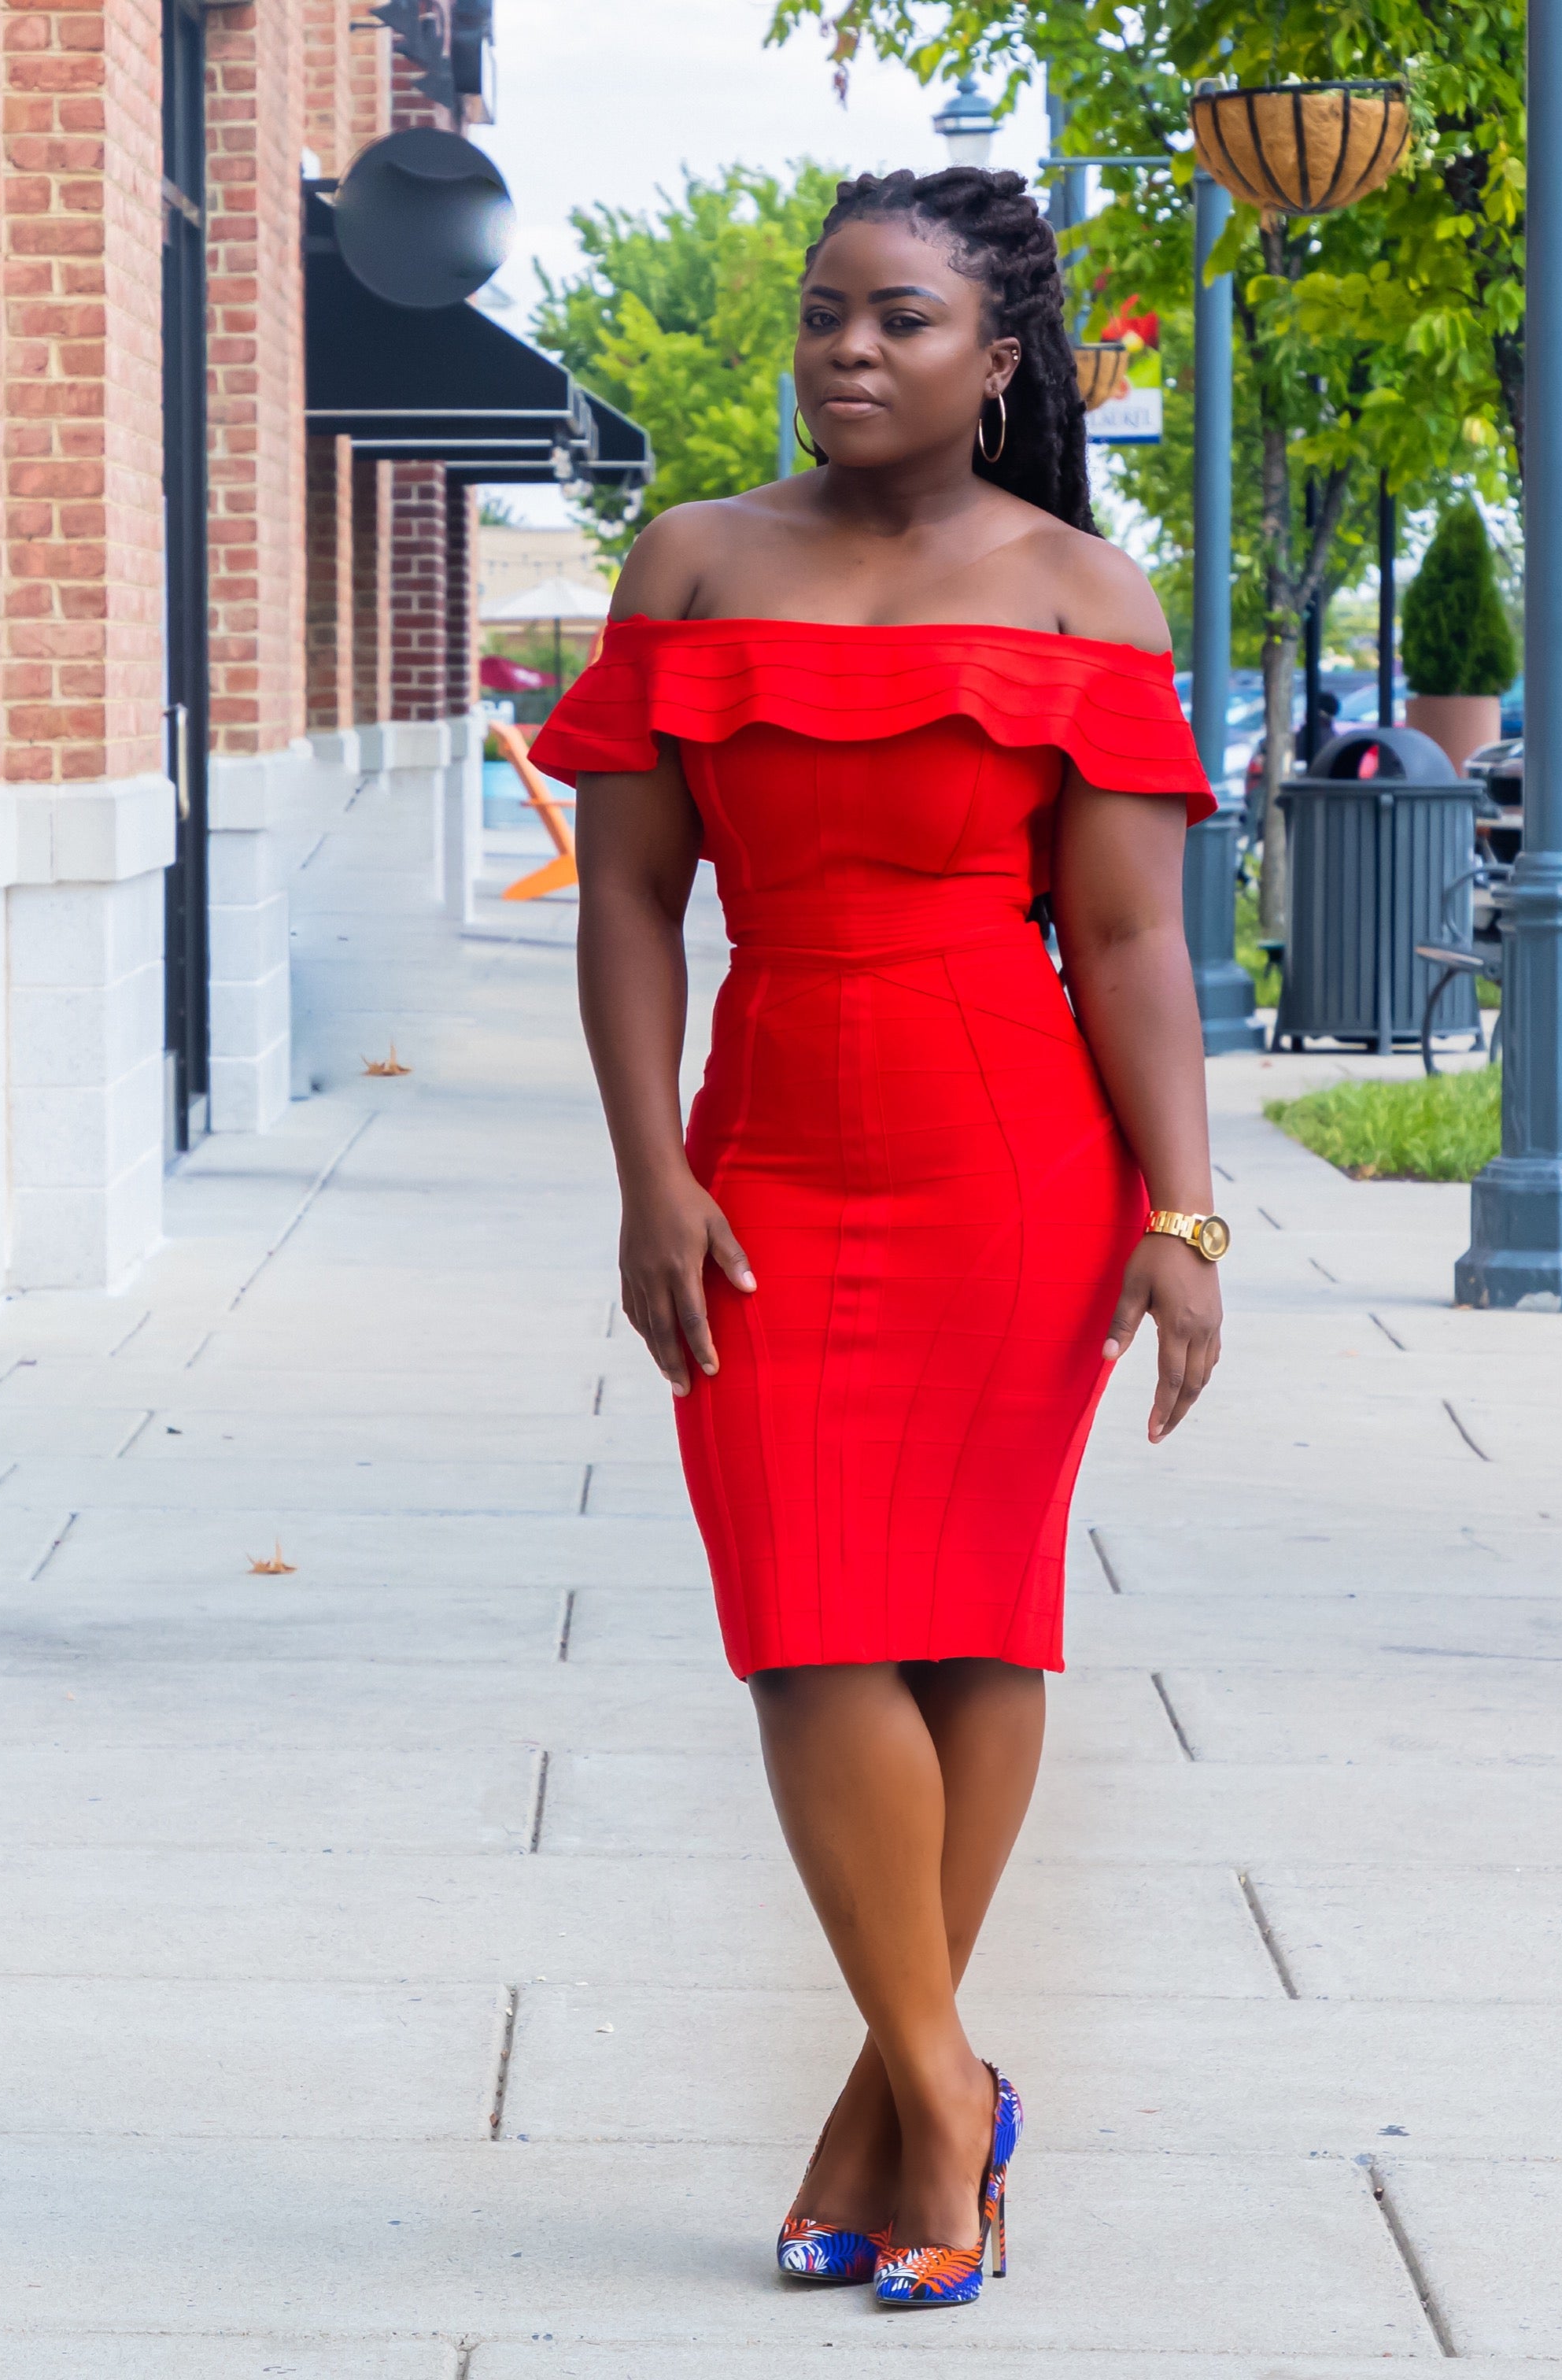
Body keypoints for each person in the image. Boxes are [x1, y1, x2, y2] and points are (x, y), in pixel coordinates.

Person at [533, 166, 1225, 2311]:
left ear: (999, 360)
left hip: (1010, 1154)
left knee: (967, 1624)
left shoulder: (1075, 597)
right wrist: (650, 1167)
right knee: (805, 1616)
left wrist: (1183, 1215)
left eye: (901, 319)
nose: (848, 349)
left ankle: (890, 2112)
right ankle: (946, 2084)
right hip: (768, 1142)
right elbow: (633, 900)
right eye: (826, 312)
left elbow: (1122, 934)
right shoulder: (693, 562)